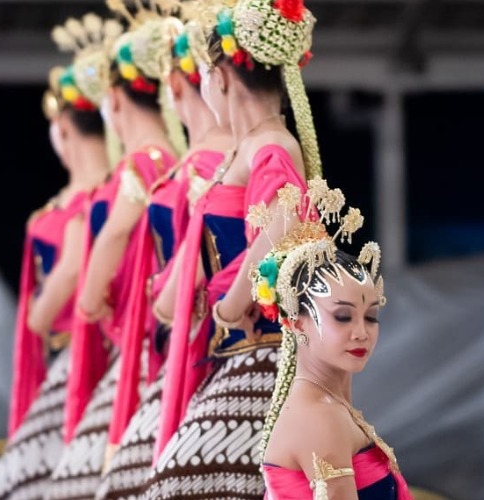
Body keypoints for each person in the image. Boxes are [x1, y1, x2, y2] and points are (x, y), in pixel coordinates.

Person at [143, 0, 322, 497]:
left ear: (219, 77)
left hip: (263, 350)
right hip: (233, 351)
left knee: (175, 484)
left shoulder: (272, 145)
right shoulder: (249, 149)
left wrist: (230, 303)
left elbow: (284, 219)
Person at [94, 10, 232, 498]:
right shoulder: (214, 159)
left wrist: (151, 295)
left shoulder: (196, 166)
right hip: (198, 335)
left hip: (196, 344)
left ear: (174, 86)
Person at [43, 8, 180, 499]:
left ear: (115, 98)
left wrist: (87, 301)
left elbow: (115, 235)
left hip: (141, 340)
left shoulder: (144, 163)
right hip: (149, 331)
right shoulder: (169, 161)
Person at [247, 180, 413, 500]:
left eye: (371, 316)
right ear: (297, 323)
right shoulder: (320, 414)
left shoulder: (329, 406)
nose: (361, 332)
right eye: (342, 317)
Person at [0, 64, 109, 500]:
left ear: (62, 127)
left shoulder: (96, 200)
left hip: (88, 354)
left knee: (23, 479)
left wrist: (38, 314)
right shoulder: (83, 199)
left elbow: (71, 272)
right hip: (66, 356)